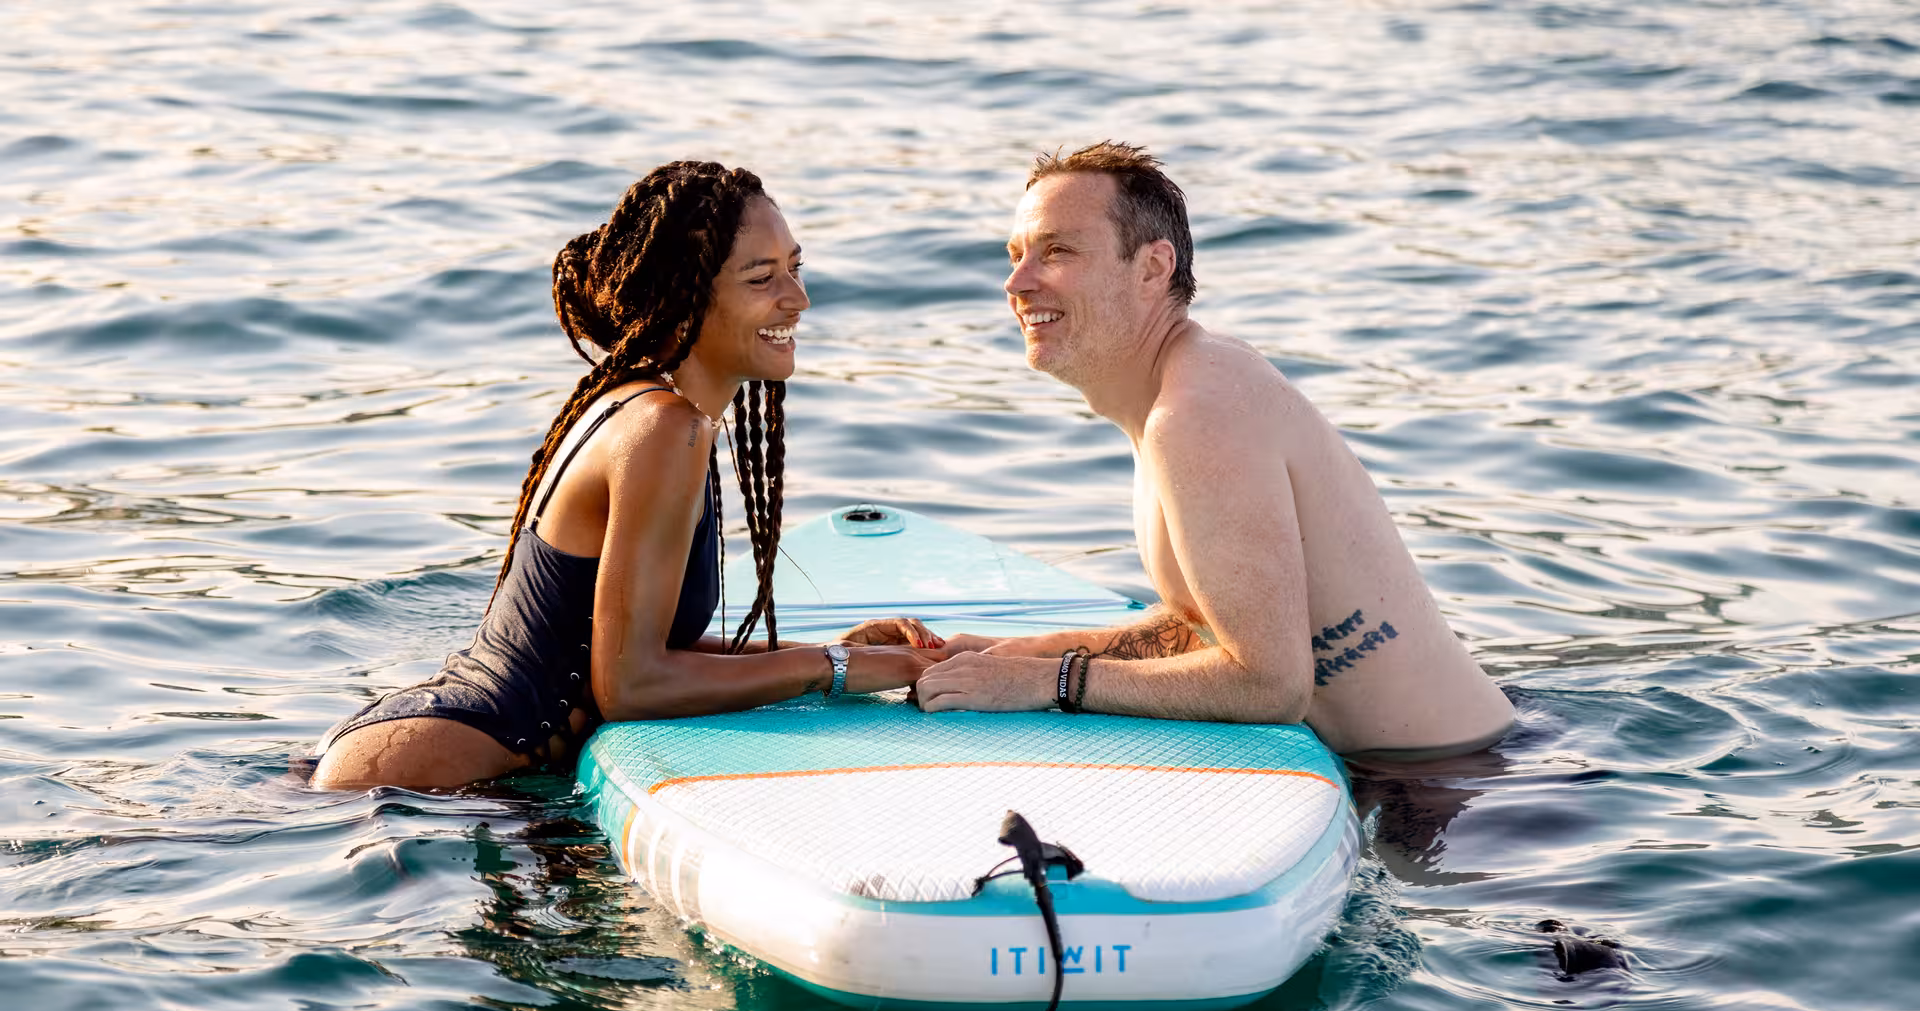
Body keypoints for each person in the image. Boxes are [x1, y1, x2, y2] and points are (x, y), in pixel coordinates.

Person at [315, 161, 939, 790]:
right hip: (427, 778)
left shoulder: (653, 411)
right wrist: (829, 668)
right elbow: (631, 687)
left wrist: (840, 653)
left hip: (425, 751)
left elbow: (633, 654)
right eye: (761, 277)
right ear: (687, 294)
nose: (798, 299)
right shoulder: (665, 429)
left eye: (795, 269)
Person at [915, 142, 1513, 759]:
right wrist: (1004, 655)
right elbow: (1209, 627)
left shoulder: (1198, 417)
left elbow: (1270, 686)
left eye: (1057, 251)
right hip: (1444, 768)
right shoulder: (1190, 385)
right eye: (1016, 255)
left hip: (1460, 792)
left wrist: (1047, 682)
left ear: (1152, 268)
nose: (1016, 282)